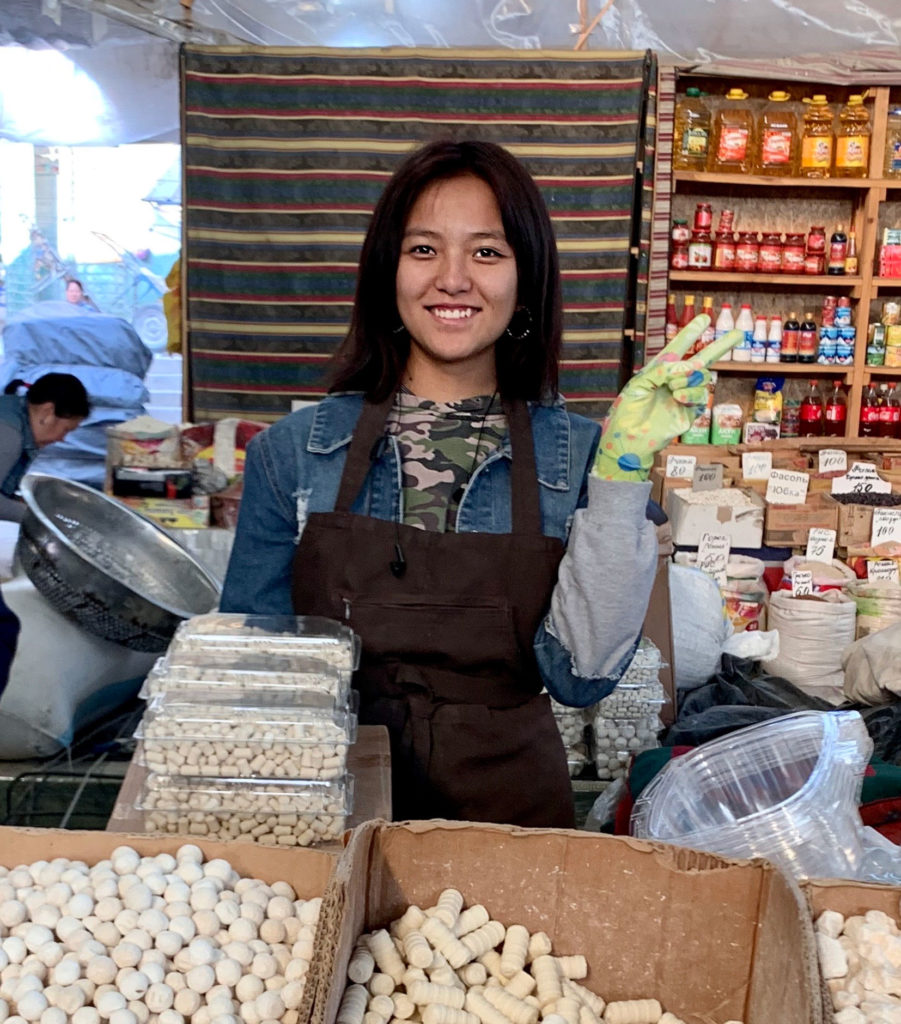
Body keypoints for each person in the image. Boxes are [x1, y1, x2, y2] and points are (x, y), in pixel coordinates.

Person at [220, 139, 738, 827]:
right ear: (387, 271)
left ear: (525, 278)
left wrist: (617, 476)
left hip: (510, 819)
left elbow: (581, 675)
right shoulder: (293, 454)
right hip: (327, 804)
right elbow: (251, 676)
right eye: (424, 249)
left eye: (486, 252)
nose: (454, 279)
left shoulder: (579, 456)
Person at [0, 374, 91, 522]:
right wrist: (48, 520)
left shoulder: (15, 415)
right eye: (66, 429)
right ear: (47, 412)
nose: (61, 438)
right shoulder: (9, 432)